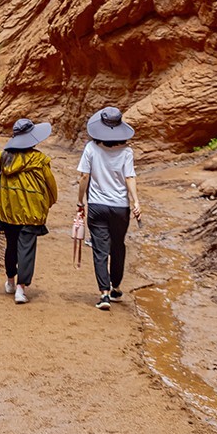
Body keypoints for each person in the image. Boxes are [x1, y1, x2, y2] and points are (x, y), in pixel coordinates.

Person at [0, 118, 58, 303]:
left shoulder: (2, 157)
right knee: (26, 250)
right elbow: (51, 187)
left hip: (8, 211)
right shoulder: (39, 160)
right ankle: (20, 290)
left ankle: (10, 281)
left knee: (11, 247)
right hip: (32, 213)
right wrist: (47, 203)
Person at [76, 105, 141, 310]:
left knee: (100, 249)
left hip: (97, 206)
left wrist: (80, 201)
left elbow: (84, 177)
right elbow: (129, 177)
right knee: (118, 246)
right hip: (120, 207)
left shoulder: (91, 148)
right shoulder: (127, 151)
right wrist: (136, 201)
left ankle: (104, 295)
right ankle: (116, 287)